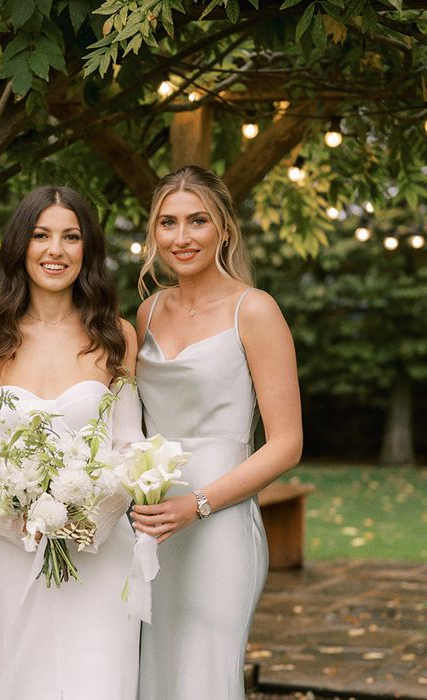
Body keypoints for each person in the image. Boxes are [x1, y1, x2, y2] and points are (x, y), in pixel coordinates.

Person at [0, 186, 142, 700]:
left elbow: (130, 447)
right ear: (20, 246)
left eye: (71, 236)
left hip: (99, 550)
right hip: (13, 551)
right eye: (41, 235)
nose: (55, 250)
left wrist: (89, 518)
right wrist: (15, 517)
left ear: (88, 250)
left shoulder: (115, 337)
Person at [132, 165, 303, 699]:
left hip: (219, 525)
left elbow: (287, 443)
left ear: (225, 229)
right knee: (152, 675)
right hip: (151, 526)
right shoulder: (147, 312)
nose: (181, 238)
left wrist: (199, 503)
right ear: (154, 233)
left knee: (205, 675)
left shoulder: (254, 311)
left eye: (197, 221)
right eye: (168, 223)